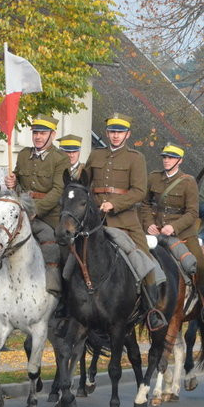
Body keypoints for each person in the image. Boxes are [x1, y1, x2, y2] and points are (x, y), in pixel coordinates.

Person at [85, 112, 167, 332]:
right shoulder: (95, 156)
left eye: (120, 132)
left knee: (144, 260)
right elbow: (84, 184)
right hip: (96, 222)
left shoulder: (135, 158)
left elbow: (139, 192)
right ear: (107, 133)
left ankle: (152, 310)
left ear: (127, 134)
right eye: (112, 132)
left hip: (125, 221)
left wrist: (115, 204)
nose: (115, 136)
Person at [140, 143, 204, 322]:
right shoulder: (153, 178)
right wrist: (149, 223)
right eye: (165, 157)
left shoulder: (188, 182)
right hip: (156, 232)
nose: (167, 160)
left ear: (180, 160)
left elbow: (192, 213)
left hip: (182, 234)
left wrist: (174, 227)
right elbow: (144, 204)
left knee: (198, 263)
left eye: (171, 158)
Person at [4, 114, 69, 296]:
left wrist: (35, 209)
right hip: (21, 212)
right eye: (35, 133)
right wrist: (13, 182)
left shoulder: (61, 158)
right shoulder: (24, 154)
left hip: (48, 216)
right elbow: (19, 184)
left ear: (52, 135)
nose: (38, 137)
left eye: (43, 133)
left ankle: (56, 289)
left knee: (55, 245)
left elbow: (58, 191)